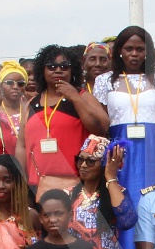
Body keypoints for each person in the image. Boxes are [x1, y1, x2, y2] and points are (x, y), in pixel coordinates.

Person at [93, 26, 155, 249]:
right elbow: (99, 122)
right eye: (128, 48)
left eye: (140, 49)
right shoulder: (105, 81)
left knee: (152, 211)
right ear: (119, 51)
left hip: (152, 153)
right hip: (120, 154)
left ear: (147, 52)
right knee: (124, 209)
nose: (134, 54)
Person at [20, 43, 110, 198]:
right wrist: (21, 179)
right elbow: (21, 145)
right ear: (42, 70)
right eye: (51, 66)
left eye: (64, 66)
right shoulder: (32, 103)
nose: (58, 70)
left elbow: (102, 128)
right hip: (37, 186)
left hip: (75, 185)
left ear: (72, 70)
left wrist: (74, 97)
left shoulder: (82, 96)